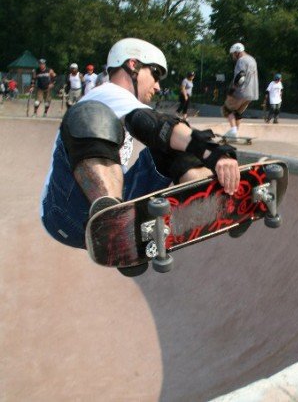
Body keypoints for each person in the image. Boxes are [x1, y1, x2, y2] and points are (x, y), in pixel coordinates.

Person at [40, 38, 239, 277]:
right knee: (94, 115)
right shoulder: (106, 92)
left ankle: (209, 195)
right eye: (155, 74)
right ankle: (115, 223)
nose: (157, 86)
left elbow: (164, 132)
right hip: (65, 211)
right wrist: (214, 152)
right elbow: (152, 125)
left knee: (171, 145)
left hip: (113, 205)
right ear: (132, 65)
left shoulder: (124, 103)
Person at [222, 43, 258, 137]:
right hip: (252, 93)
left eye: (233, 54)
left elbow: (240, 76)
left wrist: (232, 90)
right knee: (237, 112)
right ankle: (235, 133)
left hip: (241, 92)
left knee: (226, 109)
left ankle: (233, 131)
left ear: (237, 52)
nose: (233, 56)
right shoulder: (252, 59)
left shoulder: (241, 61)